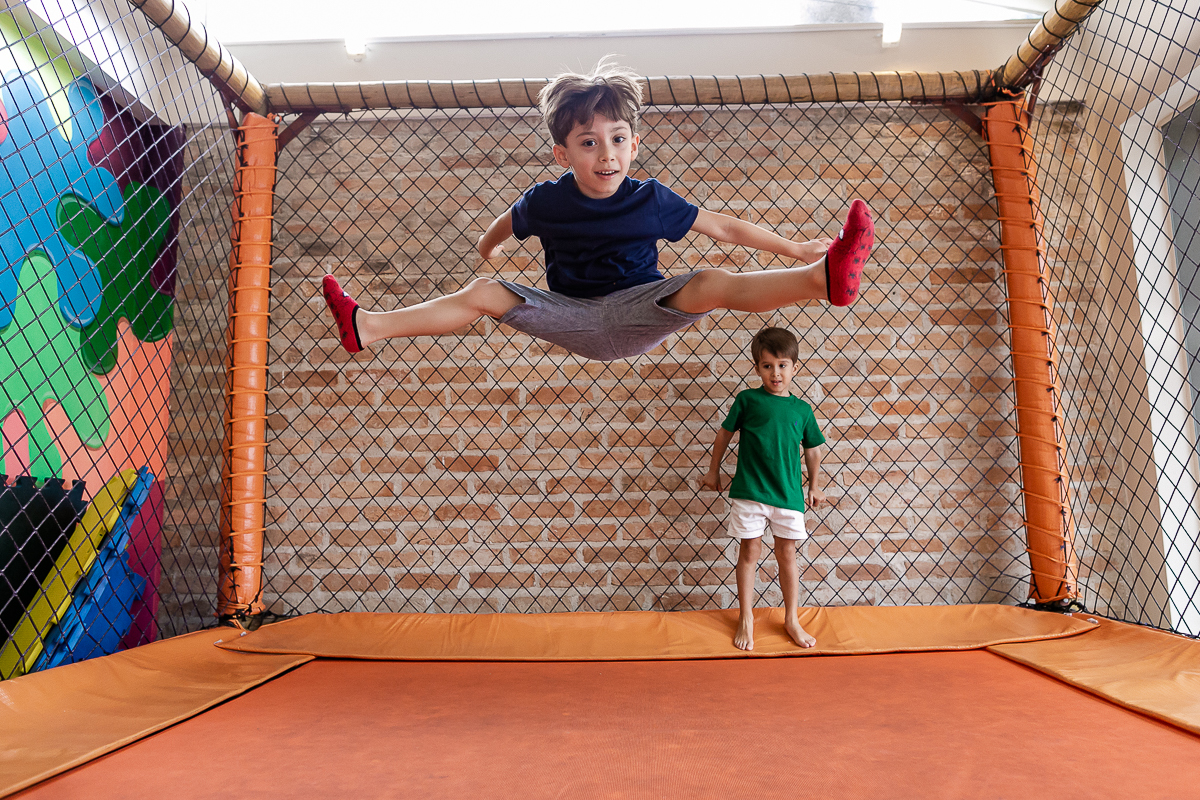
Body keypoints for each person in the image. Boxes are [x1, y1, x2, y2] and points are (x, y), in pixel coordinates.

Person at [321, 60, 874, 362]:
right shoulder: (547, 200)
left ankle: (821, 277)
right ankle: (365, 327)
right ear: (563, 153)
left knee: (712, 281)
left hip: (642, 309)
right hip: (569, 313)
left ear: (633, 146)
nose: (605, 153)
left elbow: (724, 226)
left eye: (616, 140)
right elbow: (505, 224)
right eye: (588, 142)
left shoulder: (651, 199)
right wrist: (485, 250)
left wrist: (795, 246)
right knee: (486, 293)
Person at [699, 327, 826, 651]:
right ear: (757, 368)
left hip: (787, 495)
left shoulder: (802, 410)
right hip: (750, 491)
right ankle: (746, 616)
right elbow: (724, 435)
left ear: (794, 367)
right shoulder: (748, 400)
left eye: (782, 365)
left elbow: (813, 450)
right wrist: (713, 471)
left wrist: (815, 486)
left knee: (787, 554)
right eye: (767, 365)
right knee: (749, 552)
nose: (776, 373)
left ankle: (791, 618)